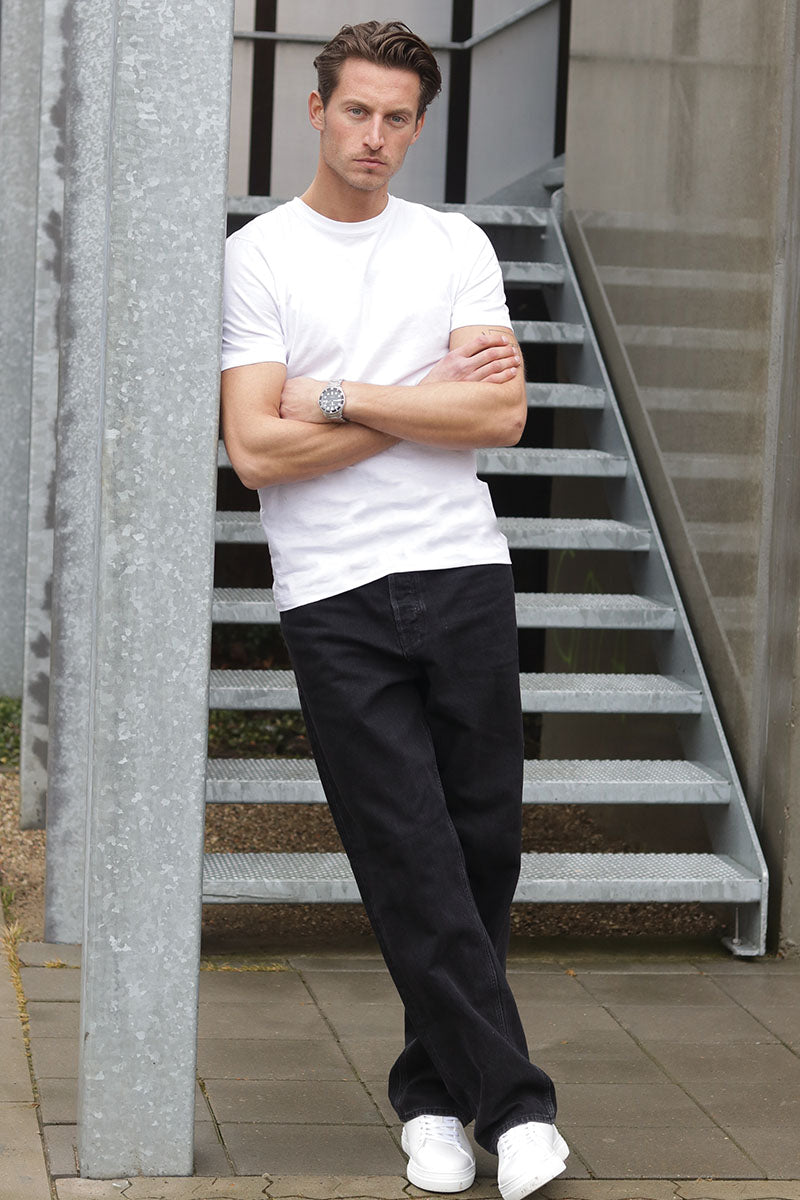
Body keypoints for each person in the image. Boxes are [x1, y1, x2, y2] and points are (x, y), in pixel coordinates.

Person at [220, 20, 567, 1200]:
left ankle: (429, 1101)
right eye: (357, 111)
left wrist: (336, 396)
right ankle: (516, 1108)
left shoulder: (453, 245)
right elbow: (256, 450)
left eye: (397, 118)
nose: (374, 136)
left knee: (479, 852)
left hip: (461, 570)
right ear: (316, 110)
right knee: (406, 852)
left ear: (418, 128)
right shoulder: (262, 256)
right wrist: (416, 398)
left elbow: (498, 417)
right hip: (332, 593)